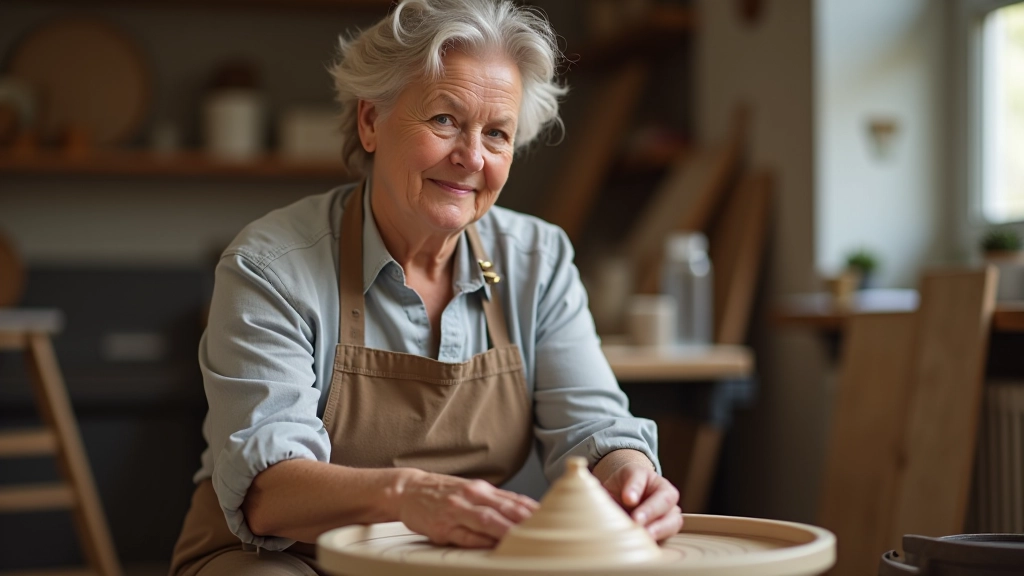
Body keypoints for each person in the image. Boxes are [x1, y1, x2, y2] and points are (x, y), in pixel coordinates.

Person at [169, 0, 681, 573]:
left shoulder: (539, 259)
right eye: (444, 120)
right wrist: (405, 498)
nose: (471, 158)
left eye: (497, 134)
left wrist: (629, 471)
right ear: (370, 122)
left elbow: (592, 424)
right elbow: (268, 494)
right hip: (287, 554)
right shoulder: (271, 266)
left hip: (453, 560)